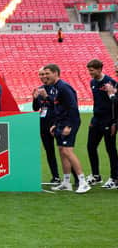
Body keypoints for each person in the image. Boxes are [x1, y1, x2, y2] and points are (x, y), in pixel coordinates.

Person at [43, 64, 91, 194]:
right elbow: (59, 107)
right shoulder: (54, 88)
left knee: (67, 151)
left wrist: (68, 126)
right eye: (44, 73)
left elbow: (73, 107)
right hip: (61, 122)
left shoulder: (64, 87)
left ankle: (83, 182)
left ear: (55, 73)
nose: (45, 76)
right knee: (62, 151)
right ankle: (66, 182)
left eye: (47, 73)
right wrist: (56, 124)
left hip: (70, 122)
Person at [85, 59, 118, 188]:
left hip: (108, 120)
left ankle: (114, 178)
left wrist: (114, 122)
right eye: (89, 70)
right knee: (90, 146)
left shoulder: (110, 82)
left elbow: (115, 104)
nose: (90, 72)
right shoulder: (92, 82)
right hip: (96, 120)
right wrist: (94, 119)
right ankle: (96, 175)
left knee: (110, 149)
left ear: (99, 69)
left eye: (92, 70)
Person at [32, 67, 60, 185]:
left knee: (64, 150)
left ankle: (75, 176)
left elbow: (58, 106)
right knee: (49, 151)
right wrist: (34, 98)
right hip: (43, 123)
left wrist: (46, 97)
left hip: (56, 123)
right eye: (41, 75)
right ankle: (55, 176)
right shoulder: (40, 89)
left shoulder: (57, 88)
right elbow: (36, 108)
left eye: (45, 74)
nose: (43, 76)